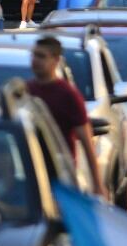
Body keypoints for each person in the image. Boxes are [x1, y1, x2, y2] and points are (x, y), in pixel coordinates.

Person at [26, 37, 104, 198]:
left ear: (56, 60)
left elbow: (87, 143)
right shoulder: (26, 91)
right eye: (34, 55)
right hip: (31, 176)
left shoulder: (69, 95)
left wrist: (98, 185)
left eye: (41, 56)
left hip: (61, 179)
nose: (35, 60)